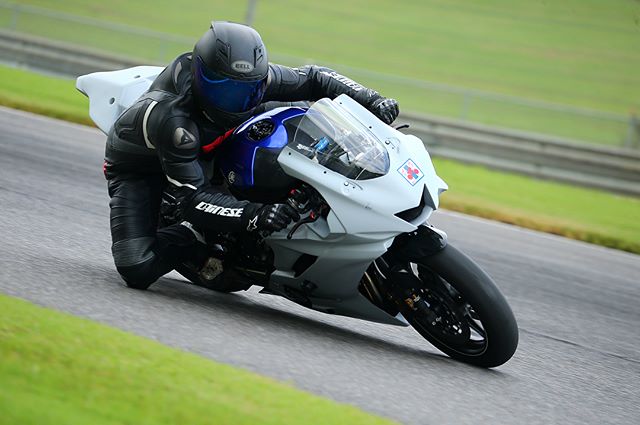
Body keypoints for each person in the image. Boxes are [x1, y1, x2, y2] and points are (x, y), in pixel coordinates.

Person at [104, 21, 400, 290]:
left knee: (297, 108)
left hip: (217, 139)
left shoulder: (255, 82)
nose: (236, 100)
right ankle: (193, 235)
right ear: (200, 76)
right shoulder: (174, 121)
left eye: (247, 89)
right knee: (137, 265)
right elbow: (193, 200)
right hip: (145, 167)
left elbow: (314, 77)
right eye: (225, 90)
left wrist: (371, 98)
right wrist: (254, 214)